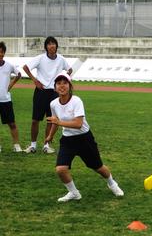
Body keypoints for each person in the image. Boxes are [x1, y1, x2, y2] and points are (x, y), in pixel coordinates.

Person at [45, 73, 124, 202]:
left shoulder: (76, 101)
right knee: (60, 169)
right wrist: (50, 136)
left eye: (65, 83)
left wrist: (59, 123)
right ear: (55, 88)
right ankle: (74, 193)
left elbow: (78, 124)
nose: (62, 86)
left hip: (84, 138)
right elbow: (55, 121)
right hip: (67, 140)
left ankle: (112, 183)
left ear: (70, 86)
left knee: (98, 167)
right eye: (58, 83)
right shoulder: (53, 104)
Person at [23, 36, 72, 154]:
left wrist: (64, 78)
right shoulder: (40, 58)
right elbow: (25, 67)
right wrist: (35, 80)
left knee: (51, 120)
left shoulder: (61, 59)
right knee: (35, 120)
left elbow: (70, 69)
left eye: (53, 43)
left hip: (54, 93)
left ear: (56, 46)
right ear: (46, 47)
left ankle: (46, 145)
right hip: (41, 91)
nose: (52, 46)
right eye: (49, 44)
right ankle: (33, 145)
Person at [0, 41, 22, 153]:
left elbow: (19, 74)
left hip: (5, 100)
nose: (0, 54)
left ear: (4, 53)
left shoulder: (9, 66)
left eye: (1, 52)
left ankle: (16, 145)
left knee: (12, 123)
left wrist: (11, 84)